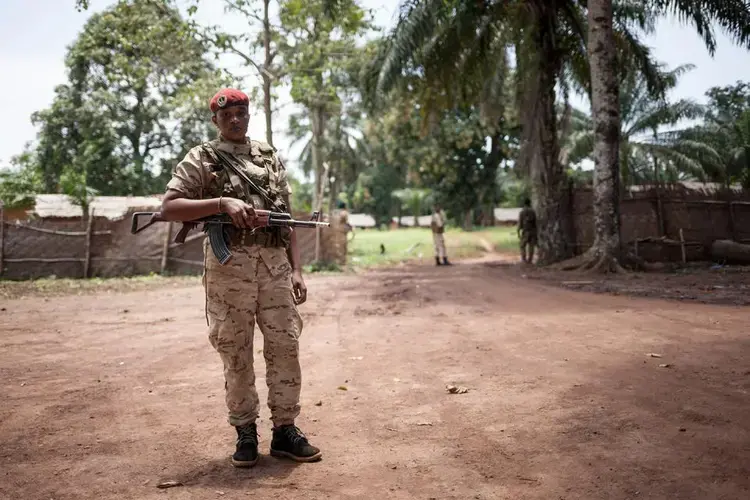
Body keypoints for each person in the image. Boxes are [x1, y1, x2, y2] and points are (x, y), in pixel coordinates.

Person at [159, 88, 321, 467]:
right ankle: (245, 431)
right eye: (228, 114)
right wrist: (221, 204)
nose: (236, 119)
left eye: (242, 113)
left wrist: (296, 268)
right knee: (235, 349)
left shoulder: (268, 157)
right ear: (216, 120)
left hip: (274, 265)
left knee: (285, 344)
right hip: (228, 267)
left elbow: (287, 215)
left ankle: (285, 429)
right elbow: (168, 207)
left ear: (249, 116)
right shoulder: (202, 158)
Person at [517, 197, 538, 264]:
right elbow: (535, 222)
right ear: (530, 203)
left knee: (522, 245)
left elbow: (520, 223)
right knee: (531, 246)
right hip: (533, 231)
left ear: (524, 204)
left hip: (525, 231)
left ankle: (524, 259)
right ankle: (530, 260)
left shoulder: (522, 212)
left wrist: (518, 232)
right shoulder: (533, 211)